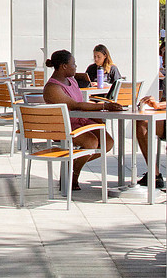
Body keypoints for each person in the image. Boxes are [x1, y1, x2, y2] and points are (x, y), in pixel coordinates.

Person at [42, 49, 122, 190]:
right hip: (64, 125)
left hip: (81, 121)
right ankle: (74, 174)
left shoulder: (72, 80)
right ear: (64, 66)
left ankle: (72, 164)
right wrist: (103, 106)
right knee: (91, 142)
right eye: (73, 64)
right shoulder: (52, 88)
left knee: (107, 142)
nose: (76, 67)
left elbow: (80, 104)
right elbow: (76, 105)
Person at [87, 44, 165, 189]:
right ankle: (154, 174)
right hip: (97, 101)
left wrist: (160, 105)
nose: (163, 60)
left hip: (108, 102)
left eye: (98, 56)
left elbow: (117, 87)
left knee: (142, 123)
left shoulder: (112, 69)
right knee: (141, 122)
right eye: (95, 56)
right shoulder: (91, 69)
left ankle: (154, 174)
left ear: (105, 56)